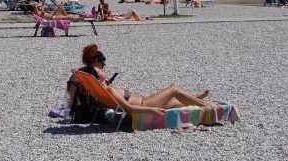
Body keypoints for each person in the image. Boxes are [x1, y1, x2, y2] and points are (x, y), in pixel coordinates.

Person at [68, 44, 211, 119]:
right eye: (101, 71)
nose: (104, 71)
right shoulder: (109, 90)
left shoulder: (103, 88)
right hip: (145, 103)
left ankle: (196, 100)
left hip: (145, 100)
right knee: (173, 89)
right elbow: (129, 109)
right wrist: (150, 109)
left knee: (174, 103)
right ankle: (207, 106)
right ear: (98, 77)